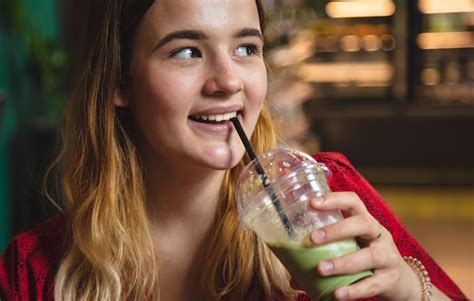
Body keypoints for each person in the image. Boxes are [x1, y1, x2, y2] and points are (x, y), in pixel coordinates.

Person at [0, 0, 467, 300]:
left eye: (246, 48)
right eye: (187, 51)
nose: (228, 81)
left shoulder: (327, 196)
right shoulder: (35, 270)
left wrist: (408, 290)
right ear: (121, 81)